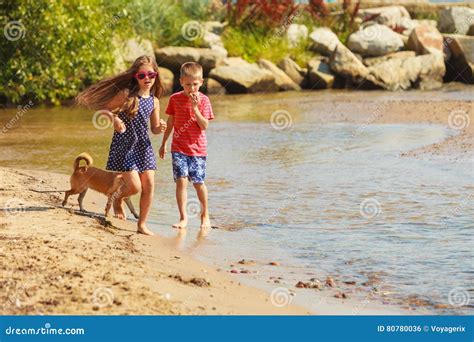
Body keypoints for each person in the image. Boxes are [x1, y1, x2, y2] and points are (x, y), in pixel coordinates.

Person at [76, 55, 166, 235]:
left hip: (144, 146)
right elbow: (103, 109)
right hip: (125, 146)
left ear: (156, 75)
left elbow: (154, 128)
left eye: (151, 74)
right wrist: (115, 119)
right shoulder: (126, 95)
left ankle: (141, 225)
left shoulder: (154, 100)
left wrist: (160, 127)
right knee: (134, 187)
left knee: (149, 185)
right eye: (142, 75)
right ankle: (117, 198)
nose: (147, 78)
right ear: (135, 76)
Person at [159, 62, 214, 232]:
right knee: (181, 181)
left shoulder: (204, 100)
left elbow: (204, 125)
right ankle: (183, 217)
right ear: (181, 81)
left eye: (195, 84)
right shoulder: (175, 99)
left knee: (198, 183)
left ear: (201, 82)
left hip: (198, 149)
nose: (192, 88)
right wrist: (164, 143)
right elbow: (171, 122)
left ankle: (205, 215)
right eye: (188, 84)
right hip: (179, 148)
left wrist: (195, 108)